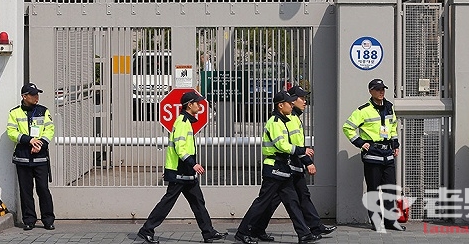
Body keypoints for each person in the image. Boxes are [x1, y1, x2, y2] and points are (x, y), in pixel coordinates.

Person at [137, 91, 228, 243]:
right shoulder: (182, 123)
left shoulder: (187, 122)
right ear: (189, 105)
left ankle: (208, 232)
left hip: (187, 174)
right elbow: (180, 149)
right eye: (197, 103)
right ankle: (146, 230)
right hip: (179, 172)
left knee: (198, 203)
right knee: (167, 203)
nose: (200, 105)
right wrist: (194, 164)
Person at [249, 86, 336, 241]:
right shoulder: (288, 119)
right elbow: (292, 145)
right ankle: (252, 229)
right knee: (287, 199)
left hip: (290, 165)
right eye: (301, 98)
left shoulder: (293, 117)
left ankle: (309, 229)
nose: (305, 102)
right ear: (292, 100)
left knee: (289, 199)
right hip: (289, 165)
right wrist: (307, 161)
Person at [234, 91, 321, 244]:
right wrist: (302, 150)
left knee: (292, 202)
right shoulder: (274, 122)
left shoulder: (283, 121)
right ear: (281, 105)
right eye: (289, 103)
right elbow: (281, 145)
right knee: (262, 203)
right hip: (274, 168)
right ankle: (242, 232)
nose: (292, 105)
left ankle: (304, 234)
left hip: (283, 168)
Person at [342, 79, 405, 232]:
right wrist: (360, 143)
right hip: (372, 156)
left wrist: (395, 145)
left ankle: (391, 221)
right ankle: (376, 222)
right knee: (374, 190)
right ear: (370, 91)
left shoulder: (389, 107)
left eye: (383, 89)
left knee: (390, 189)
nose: (381, 92)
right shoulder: (363, 110)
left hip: (388, 155)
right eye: (377, 89)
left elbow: (393, 128)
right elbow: (347, 127)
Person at [6, 83, 55, 231]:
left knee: (43, 189)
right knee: (26, 191)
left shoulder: (43, 111)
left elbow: (50, 129)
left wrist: (40, 143)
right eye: (33, 95)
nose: (36, 97)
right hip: (23, 158)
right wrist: (29, 140)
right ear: (24, 96)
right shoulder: (15, 113)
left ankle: (48, 220)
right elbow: (11, 132)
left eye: (37, 94)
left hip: (40, 158)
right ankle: (29, 220)